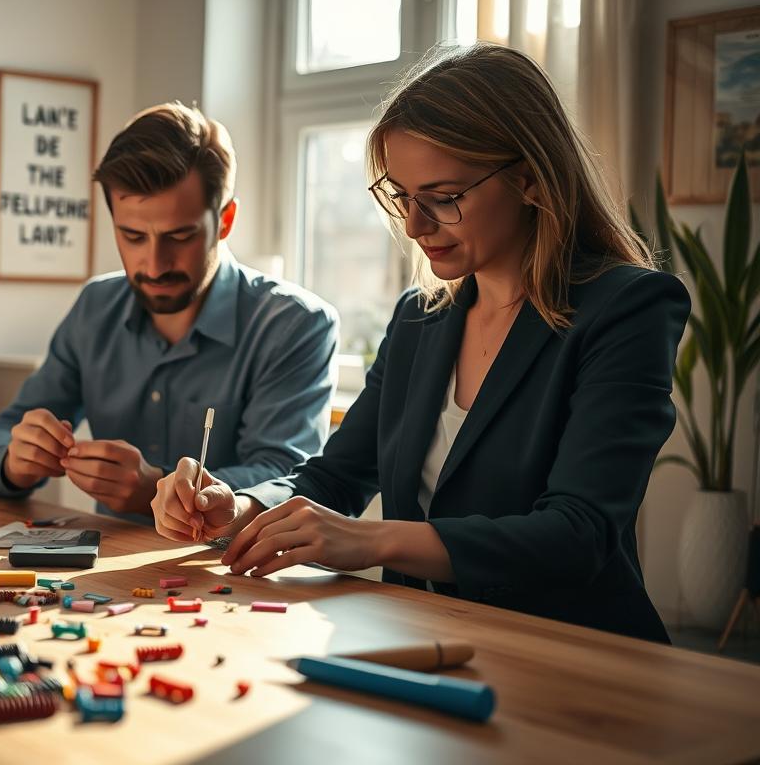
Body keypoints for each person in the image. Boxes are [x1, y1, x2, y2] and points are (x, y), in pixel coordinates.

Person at [151, 45, 689, 642]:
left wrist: (372, 539)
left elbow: (578, 535)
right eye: (401, 196)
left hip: (576, 657)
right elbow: (333, 478)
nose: (413, 226)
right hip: (425, 640)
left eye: (443, 198)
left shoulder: (628, 308)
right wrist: (239, 507)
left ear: (531, 179)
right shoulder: (421, 316)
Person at [0, 102, 339, 522]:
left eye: (180, 236)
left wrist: (158, 489)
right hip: (107, 573)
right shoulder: (95, 307)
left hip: (235, 575)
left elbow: (283, 478)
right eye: (132, 236)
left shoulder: (295, 324)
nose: (154, 264)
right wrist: (15, 462)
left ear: (225, 220)